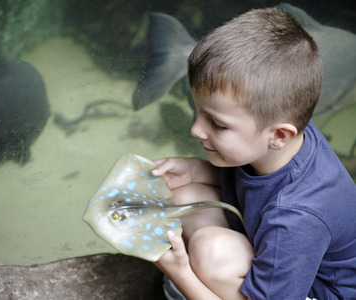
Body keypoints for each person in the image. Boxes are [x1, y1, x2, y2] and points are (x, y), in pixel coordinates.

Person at [150, 7, 356, 300]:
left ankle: (204, 280)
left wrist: (180, 273)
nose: (195, 130)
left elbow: (285, 217)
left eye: (217, 124)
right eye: (198, 113)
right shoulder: (287, 139)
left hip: (315, 291)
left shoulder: (296, 217)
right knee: (184, 197)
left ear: (279, 135)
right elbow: (257, 184)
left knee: (211, 251)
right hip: (286, 254)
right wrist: (193, 170)